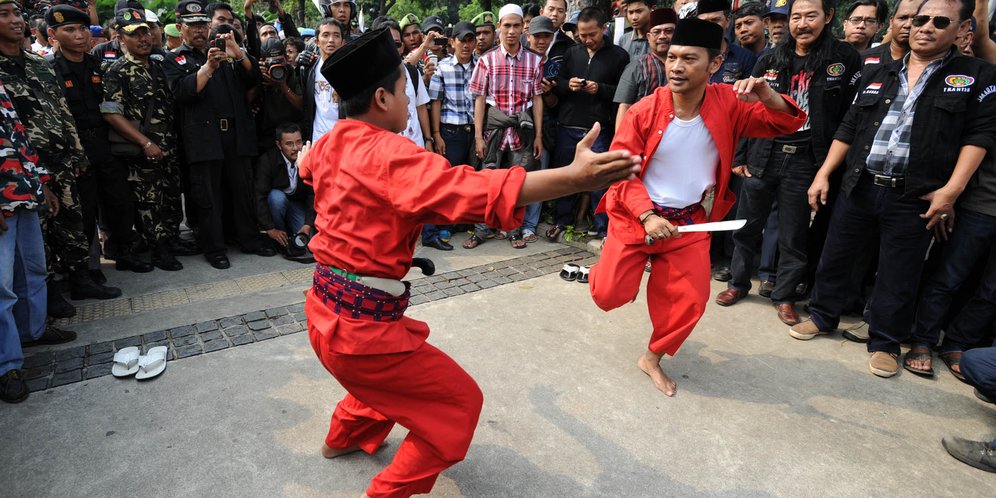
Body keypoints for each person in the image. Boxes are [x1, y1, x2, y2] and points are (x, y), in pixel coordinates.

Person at [301, 27, 641, 498]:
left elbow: (306, 165)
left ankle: (342, 440)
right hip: (362, 334)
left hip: (325, 314)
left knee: (384, 384)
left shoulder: (331, 141)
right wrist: (571, 177)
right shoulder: (390, 153)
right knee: (458, 403)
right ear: (382, 97)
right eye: (406, 91)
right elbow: (474, 189)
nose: (409, 102)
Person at [589, 18, 806, 397]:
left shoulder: (729, 104)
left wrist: (767, 95)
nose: (676, 67)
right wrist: (646, 215)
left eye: (689, 58)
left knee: (690, 301)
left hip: (688, 223)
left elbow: (787, 123)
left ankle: (652, 357)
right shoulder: (644, 111)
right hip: (637, 216)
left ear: (715, 64)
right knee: (609, 295)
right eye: (672, 57)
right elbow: (620, 172)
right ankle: (608, 266)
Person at [791, 0, 996, 379]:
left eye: (940, 21)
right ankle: (821, 315)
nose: (926, 27)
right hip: (860, 183)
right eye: (920, 19)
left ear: (963, 28)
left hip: (915, 195)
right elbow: (849, 127)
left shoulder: (976, 75)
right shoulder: (880, 69)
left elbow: (979, 137)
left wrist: (951, 190)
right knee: (836, 255)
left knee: (898, 272)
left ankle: (884, 341)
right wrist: (823, 174)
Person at [717, 0, 862, 326]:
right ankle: (737, 283)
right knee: (746, 226)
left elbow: (848, 117)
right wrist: (739, 157)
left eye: (811, 15)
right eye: (796, 16)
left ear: (828, 17)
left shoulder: (844, 59)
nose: (802, 23)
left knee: (793, 233)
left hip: (806, 159)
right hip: (762, 154)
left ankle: (784, 296)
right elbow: (746, 109)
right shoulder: (769, 58)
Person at [0, 0, 121, 317]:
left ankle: (81, 279)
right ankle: (47, 296)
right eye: (5, 15)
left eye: (16, 13)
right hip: (22, 170)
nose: (15, 20)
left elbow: (62, 112)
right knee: (37, 237)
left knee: (72, 223)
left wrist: (77, 153)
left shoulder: (36, 65)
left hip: (62, 161)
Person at [163, 0, 270, 270]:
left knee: (241, 190)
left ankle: (249, 239)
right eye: (192, 26)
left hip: (235, 134)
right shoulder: (175, 58)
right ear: (180, 28)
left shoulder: (227, 50)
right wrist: (208, 68)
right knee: (208, 196)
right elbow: (183, 92)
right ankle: (215, 248)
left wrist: (240, 54)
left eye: (202, 25)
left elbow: (254, 79)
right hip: (203, 138)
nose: (199, 31)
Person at [46, 5, 147, 276]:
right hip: (75, 151)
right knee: (84, 211)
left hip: (105, 145)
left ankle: (122, 252)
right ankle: (86, 270)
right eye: (70, 30)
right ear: (52, 34)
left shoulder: (99, 66)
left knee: (120, 201)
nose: (79, 35)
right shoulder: (47, 71)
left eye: (82, 28)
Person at [0, 79, 77, 404]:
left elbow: (19, 138)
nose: (18, 22)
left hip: (24, 193)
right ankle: (7, 365)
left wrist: (41, 183)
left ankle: (32, 330)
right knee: (1, 286)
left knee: (32, 268)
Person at [102, 8, 188, 272]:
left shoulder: (160, 64)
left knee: (171, 195)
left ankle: (172, 240)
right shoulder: (117, 71)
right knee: (148, 201)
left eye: (146, 32)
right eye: (135, 34)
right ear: (120, 39)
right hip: (143, 150)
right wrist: (144, 143)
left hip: (169, 145)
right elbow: (111, 113)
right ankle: (157, 248)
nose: (144, 38)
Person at [466, 4, 544, 250]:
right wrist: (478, 136)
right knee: (487, 183)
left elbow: (538, 99)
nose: (511, 31)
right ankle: (481, 230)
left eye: (516, 26)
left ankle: (513, 230)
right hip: (493, 133)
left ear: (524, 28)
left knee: (517, 186)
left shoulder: (534, 60)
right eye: (507, 25)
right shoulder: (487, 60)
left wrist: (539, 135)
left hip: (522, 132)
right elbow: (479, 99)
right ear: (499, 27)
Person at [548, 7, 630, 241]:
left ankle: (603, 229)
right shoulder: (572, 52)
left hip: (598, 129)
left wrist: (600, 89)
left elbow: (624, 92)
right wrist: (568, 85)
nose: (587, 40)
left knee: (599, 180)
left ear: (604, 28)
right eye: (582, 35)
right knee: (564, 177)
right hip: (568, 124)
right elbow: (558, 84)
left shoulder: (618, 56)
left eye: (591, 34)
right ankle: (562, 221)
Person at [424, 22, 480, 251]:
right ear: (452, 42)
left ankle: (459, 221)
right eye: (461, 40)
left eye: (470, 40)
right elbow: (435, 103)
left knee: (470, 180)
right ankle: (439, 225)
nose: (466, 45)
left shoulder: (481, 66)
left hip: (474, 131)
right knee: (446, 181)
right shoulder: (443, 68)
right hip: (450, 131)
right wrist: (436, 134)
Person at [255, 123, 314, 257]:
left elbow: (313, 194)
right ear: (278, 145)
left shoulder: (307, 157)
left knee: (309, 238)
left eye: (299, 142)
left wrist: (307, 224)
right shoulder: (267, 161)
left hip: (296, 205)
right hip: (277, 203)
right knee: (276, 197)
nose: (295, 148)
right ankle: (279, 237)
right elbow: (259, 196)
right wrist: (270, 229)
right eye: (289, 144)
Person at [614, 8, 678, 128]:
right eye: (657, 32)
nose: (662, 36)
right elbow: (624, 106)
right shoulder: (636, 67)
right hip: (644, 132)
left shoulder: (687, 66)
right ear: (648, 37)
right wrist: (620, 143)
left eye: (669, 31)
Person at [300, 18, 345, 144]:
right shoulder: (309, 70)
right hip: (316, 140)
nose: (331, 40)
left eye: (336, 36)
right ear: (317, 41)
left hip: (343, 139)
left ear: (342, 42)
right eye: (326, 35)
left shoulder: (350, 71)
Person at [256, 38, 303, 152]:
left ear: (286, 59)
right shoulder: (259, 74)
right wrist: (257, 78)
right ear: (263, 61)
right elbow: (247, 100)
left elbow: (301, 105)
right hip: (267, 135)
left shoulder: (293, 74)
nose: (276, 66)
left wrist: (282, 85)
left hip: (292, 132)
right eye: (271, 62)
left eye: (279, 61)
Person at [697, 0, 758, 84]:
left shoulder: (745, 58)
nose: (710, 26)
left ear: (728, 21)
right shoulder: (687, 56)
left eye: (715, 20)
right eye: (704, 22)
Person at [861, 0, 916, 66]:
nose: (908, 25)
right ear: (892, 21)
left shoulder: (928, 64)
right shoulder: (864, 58)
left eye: (916, 19)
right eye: (902, 18)